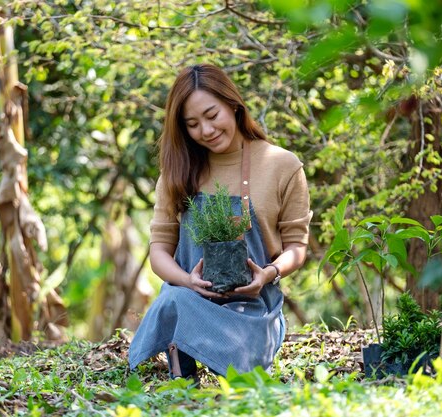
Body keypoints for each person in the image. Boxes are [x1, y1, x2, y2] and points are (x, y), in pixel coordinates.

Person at [128, 63, 312, 380]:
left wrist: (268, 274)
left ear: (233, 104)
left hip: (253, 312)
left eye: (212, 116)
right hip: (189, 303)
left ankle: (223, 352)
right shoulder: (177, 173)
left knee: (245, 371)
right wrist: (188, 281)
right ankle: (181, 356)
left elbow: (296, 247)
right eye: (193, 124)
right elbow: (159, 252)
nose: (207, 131)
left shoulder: (283, 165)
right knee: (174, 298)